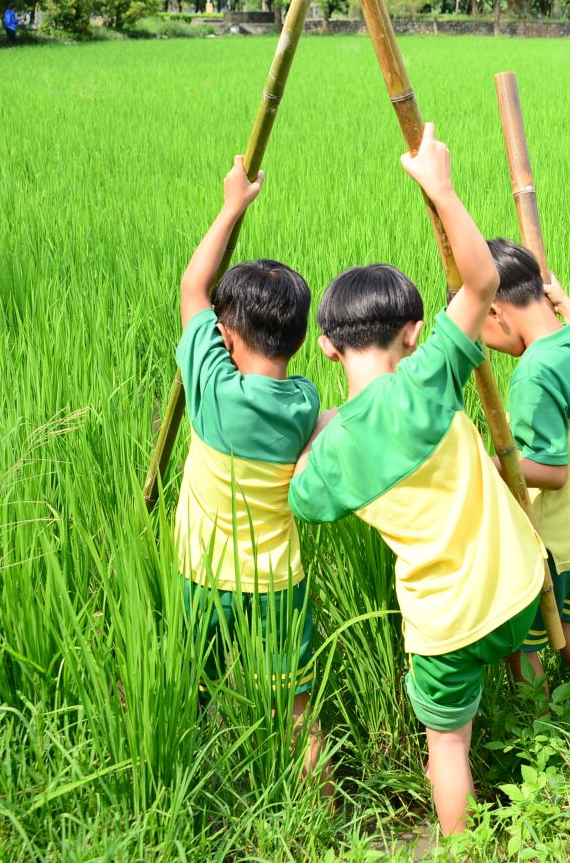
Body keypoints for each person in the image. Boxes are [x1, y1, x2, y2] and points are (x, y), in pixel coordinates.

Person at [289, 124, 546, 837]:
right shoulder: (431, 375)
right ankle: (547, 757)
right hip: (519, 585)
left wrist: (321, 422)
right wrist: (441, 188)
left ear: (327, 346)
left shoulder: (333, 458)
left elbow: (301, 491)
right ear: (411, 330)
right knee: (524, 666)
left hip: (444, 624)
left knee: (448, 744)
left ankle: (461, 847)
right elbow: (482, 282)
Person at [171, 156, 327, 785]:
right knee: (297, 712)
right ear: (298, 339)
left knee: (191, 691)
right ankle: (318, 810)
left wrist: (233, 204)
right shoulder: (303, 402)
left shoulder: (211, 388)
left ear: (226, 336)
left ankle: (189, 786)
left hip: (203, 575)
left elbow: (192, 289)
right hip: (277, 583)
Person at [480, 239, 570, 737]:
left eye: (480, 328)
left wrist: (487, 465)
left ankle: (545, 746)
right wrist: (565, 303)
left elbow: (550, 469)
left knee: (522, 647)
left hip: (557, 542)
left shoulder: (533, 373)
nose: (485, 344)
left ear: (496, 311)